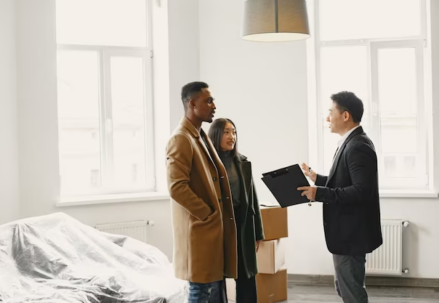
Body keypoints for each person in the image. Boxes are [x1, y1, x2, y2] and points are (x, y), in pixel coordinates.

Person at [298, 91, 383, 303]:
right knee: (345, 289)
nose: (327, 118)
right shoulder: (351, 142)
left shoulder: (358, 146)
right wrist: (317, 178)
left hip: (350, 236)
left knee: (351, 293)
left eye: (330, 112)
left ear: (345, 116)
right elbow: (345, 182)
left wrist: (320, 193)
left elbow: (361, 191)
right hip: (347, 234)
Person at [166, 82, 237, 303]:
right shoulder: (181, 138)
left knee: (213, 290)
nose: (213, 105)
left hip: (210, 231)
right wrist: (207, 214)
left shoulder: (200, 135)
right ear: (192, 103)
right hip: (199, 231)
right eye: (208, 100)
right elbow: (176, 187)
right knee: (201, 290)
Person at [208, 118, 264, 303]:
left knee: (246, 275)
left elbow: (253, 200)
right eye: (226, 132)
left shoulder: (243, 162)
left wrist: (257, 233)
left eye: (234, 132)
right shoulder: (207, 164)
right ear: (216, 135)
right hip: (219, 227)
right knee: (217, 278)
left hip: (242, 225)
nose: (232, 136)